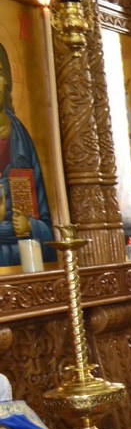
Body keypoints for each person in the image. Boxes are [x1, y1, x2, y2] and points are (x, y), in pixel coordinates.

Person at [0, 41, 55, 267]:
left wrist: (31, 226)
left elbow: (47, 225)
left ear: (7, 81)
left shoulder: (22, 141)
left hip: (24, 260)